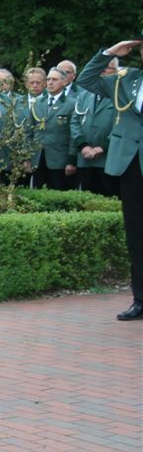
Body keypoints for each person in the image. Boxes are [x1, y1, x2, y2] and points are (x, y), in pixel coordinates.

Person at [78, 36, 143, 321]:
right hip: (131, 164)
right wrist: (109, 53)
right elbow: (86, 80)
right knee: (136, 234)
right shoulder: (126, 79)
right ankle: (140, 299)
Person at [72, 57, 118, 196]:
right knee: (87, 199)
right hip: (85, 158)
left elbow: (121, 124)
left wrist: (103, 147)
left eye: (108, 68)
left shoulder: (120, 95)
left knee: (111, 199)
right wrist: (83, 145)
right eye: (101, 68)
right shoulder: (84, 95)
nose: (103, 71)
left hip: (108, 158)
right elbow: (75, 121)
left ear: (116, 71)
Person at [27, 68, 77, 190]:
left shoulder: (72, 104)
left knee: (59, 193)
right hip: (38, 158)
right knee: (37, 194)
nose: (50, 82)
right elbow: (29, 131)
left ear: (64, 82)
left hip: (60, 159)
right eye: (48, 79)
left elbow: (73, 134)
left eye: (54, 79)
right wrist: (27, 157)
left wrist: (72, 160)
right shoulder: (37, 103)